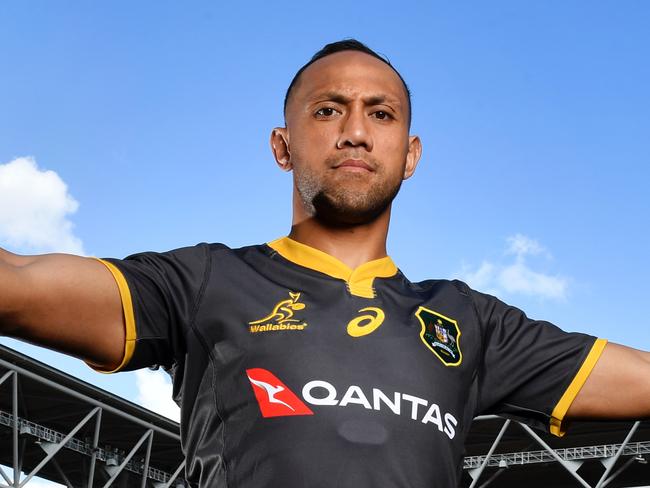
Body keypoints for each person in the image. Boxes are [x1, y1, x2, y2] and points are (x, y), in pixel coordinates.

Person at [0, 39, 649, 488]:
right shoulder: (202, 284)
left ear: (410, 153)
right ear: (283, 146)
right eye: (329, 109)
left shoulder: (469, 322)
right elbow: (19, 286)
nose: (356, 131)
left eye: (381, 113)